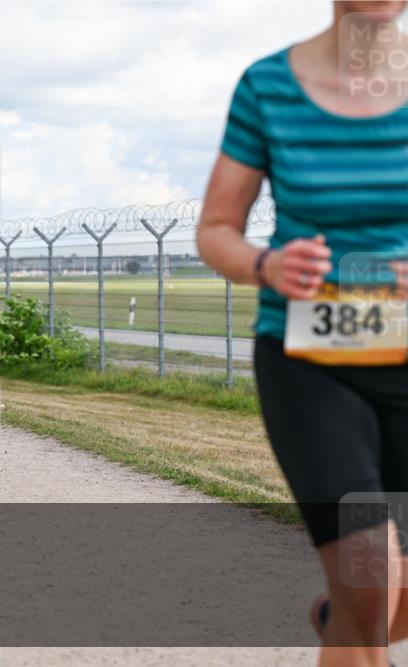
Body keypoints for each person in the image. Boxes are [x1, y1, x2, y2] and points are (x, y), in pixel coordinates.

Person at [196, 3, 407, 665]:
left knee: (375, 601)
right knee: (369, 579)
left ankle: (340, 617)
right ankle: (352, 610)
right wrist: (267, 264)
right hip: (310, 361)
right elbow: (215, 230)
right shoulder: (269, 87)